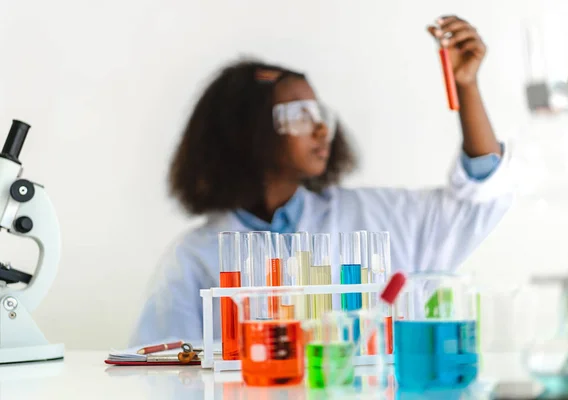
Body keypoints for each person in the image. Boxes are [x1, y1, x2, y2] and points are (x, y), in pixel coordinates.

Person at [130, 15, 513, 345]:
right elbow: (162, 374)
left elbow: (476, 201)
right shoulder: (195, 259)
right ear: (245, 132)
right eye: (298, 114)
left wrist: (467, 87)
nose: (320, 129)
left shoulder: (374, 218)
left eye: (319, 114)